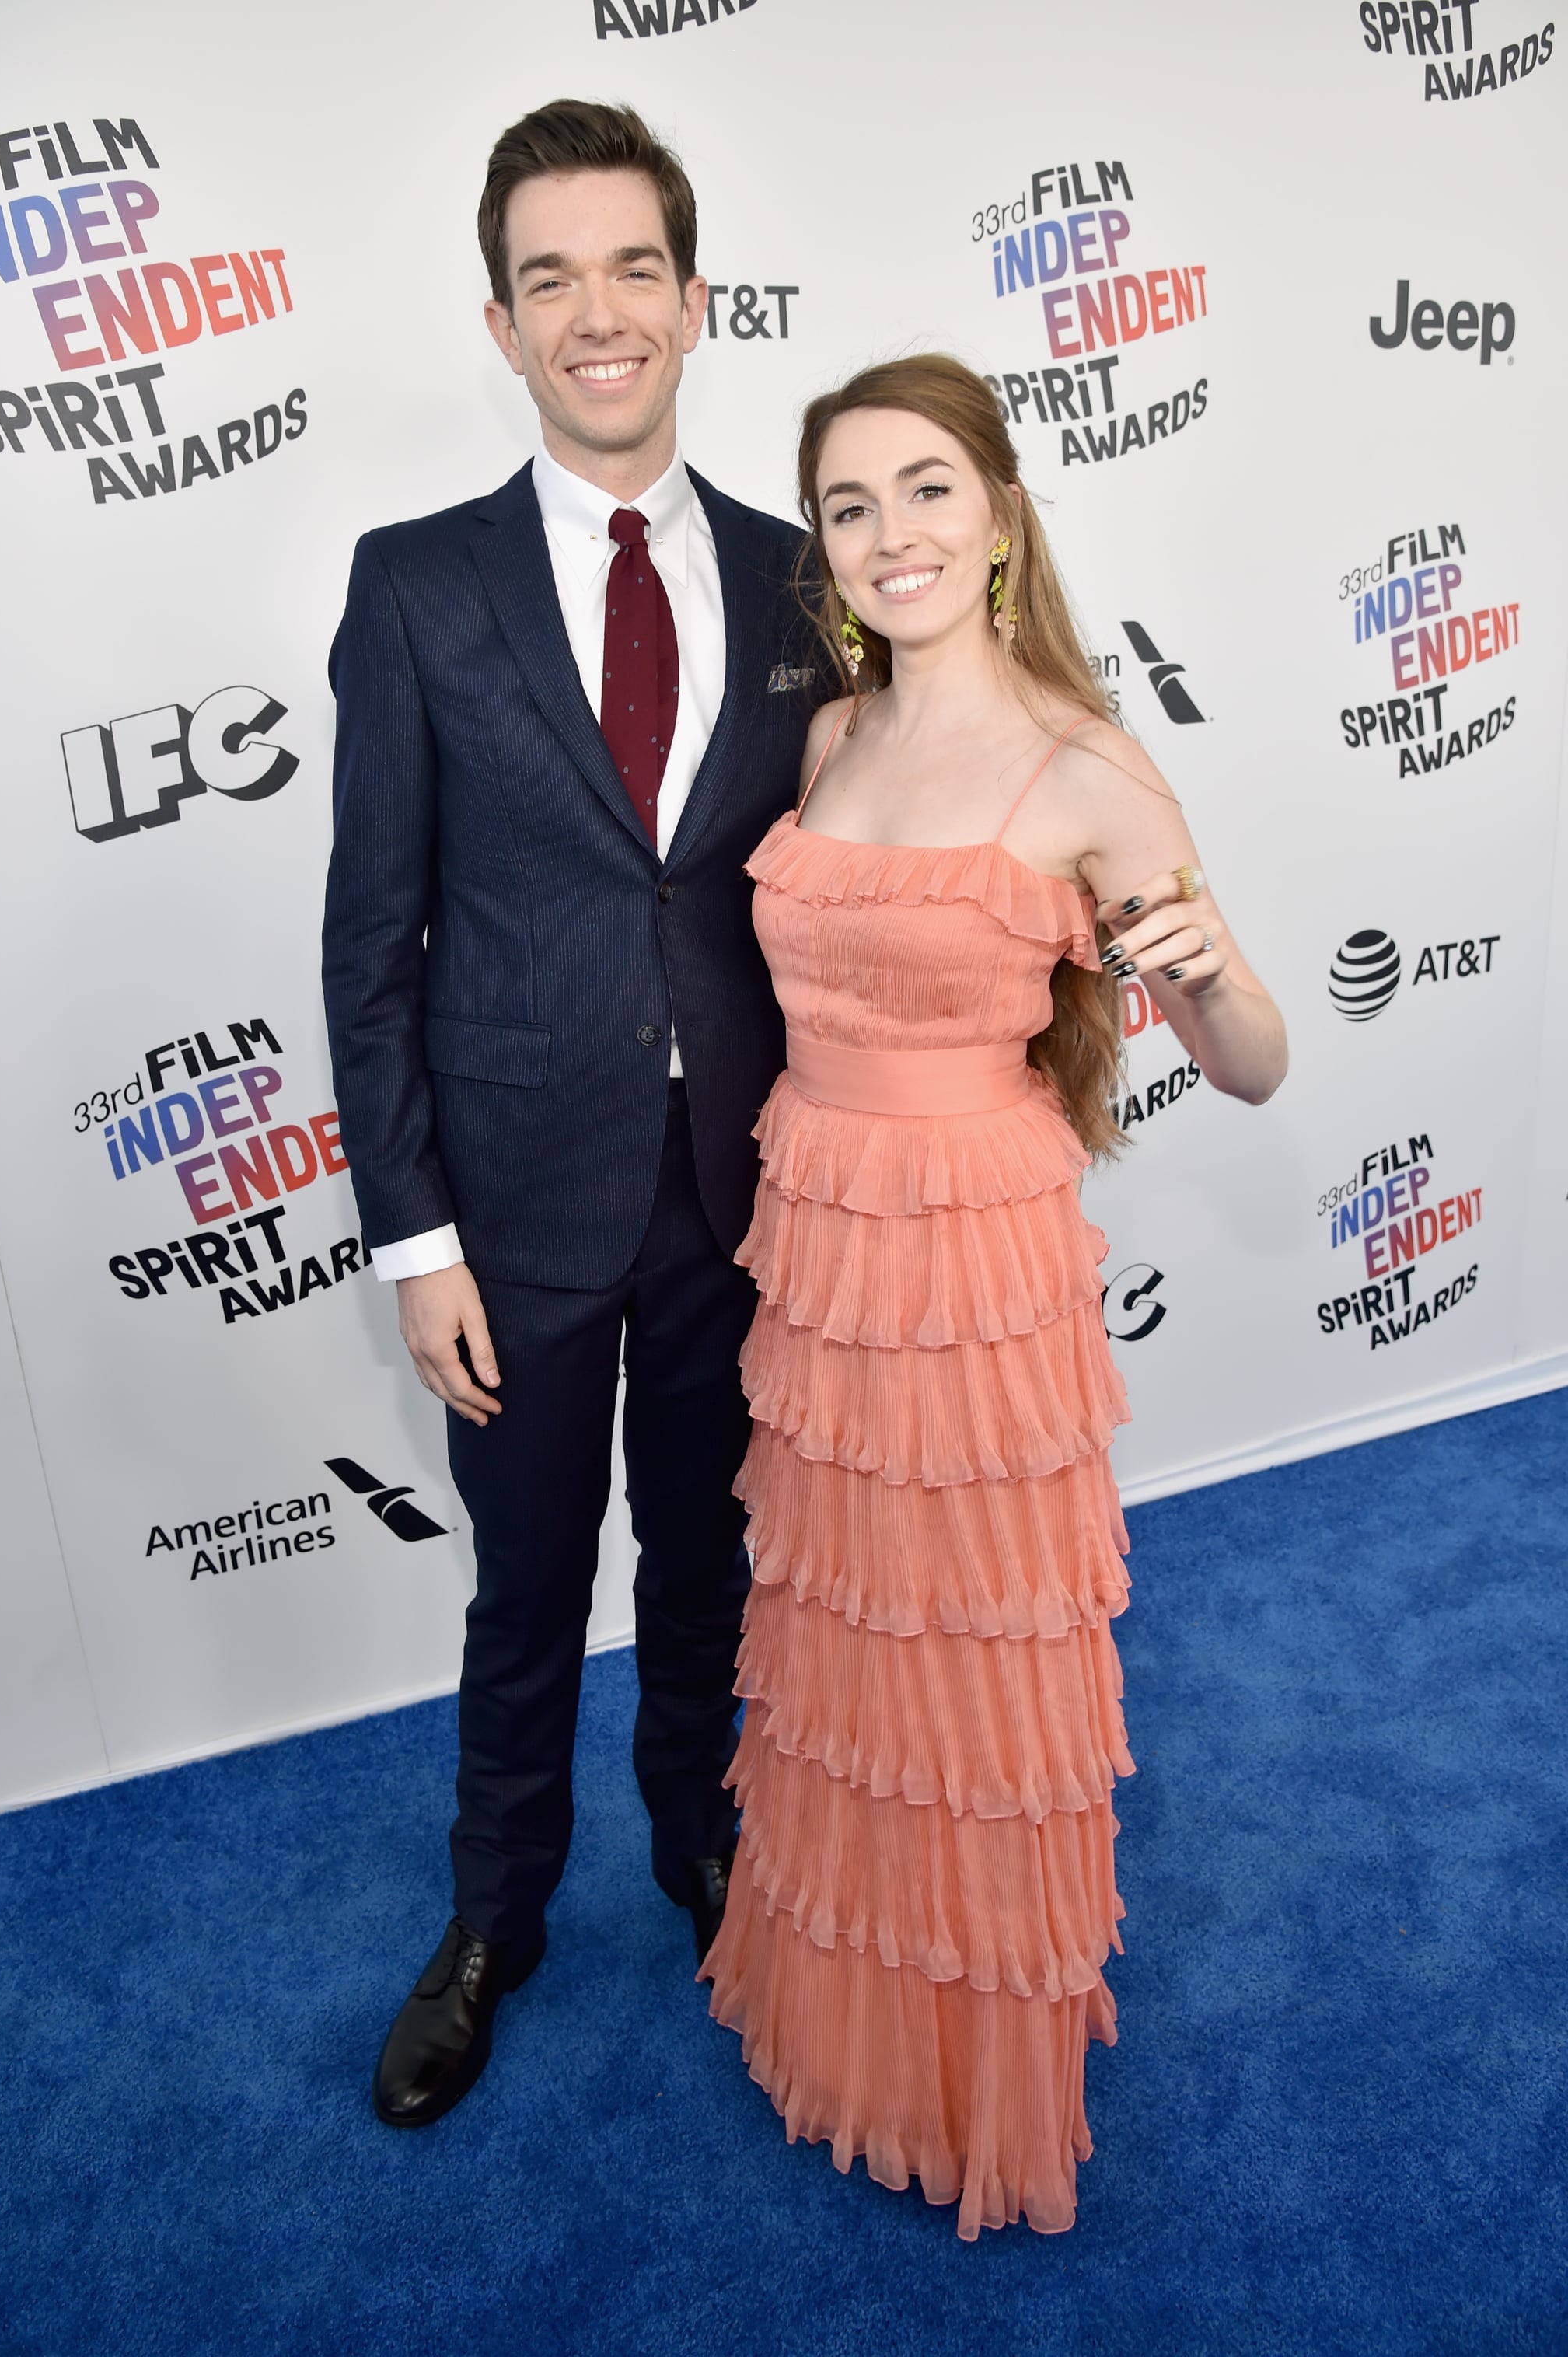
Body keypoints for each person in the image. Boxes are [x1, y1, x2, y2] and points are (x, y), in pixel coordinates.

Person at [703, 354, 1287, 2238]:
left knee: (970, 1643)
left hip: (975, 1257)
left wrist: (1205, 979)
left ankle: (973, 2073)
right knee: (846, 1630)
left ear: (1003, 510)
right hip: (821, 1233)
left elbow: (1260, 1059)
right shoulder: (828, 745)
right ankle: (851, 2009)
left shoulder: (1089, 768)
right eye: (851, 505)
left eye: (929, 487)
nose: (893, 534)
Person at [321, 100, 826, 2128]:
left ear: (697, 302)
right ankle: (491, 1924)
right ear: (503, 323)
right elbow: (372, 941)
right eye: (553, 279)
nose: (598, 313)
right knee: (525, 1594)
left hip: (742, 1194)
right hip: (513, 1215)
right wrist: (411, 1235)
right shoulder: (419, 585)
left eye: (635, 269)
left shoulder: (809, 581)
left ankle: (702, 1847)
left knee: (707, 1563)